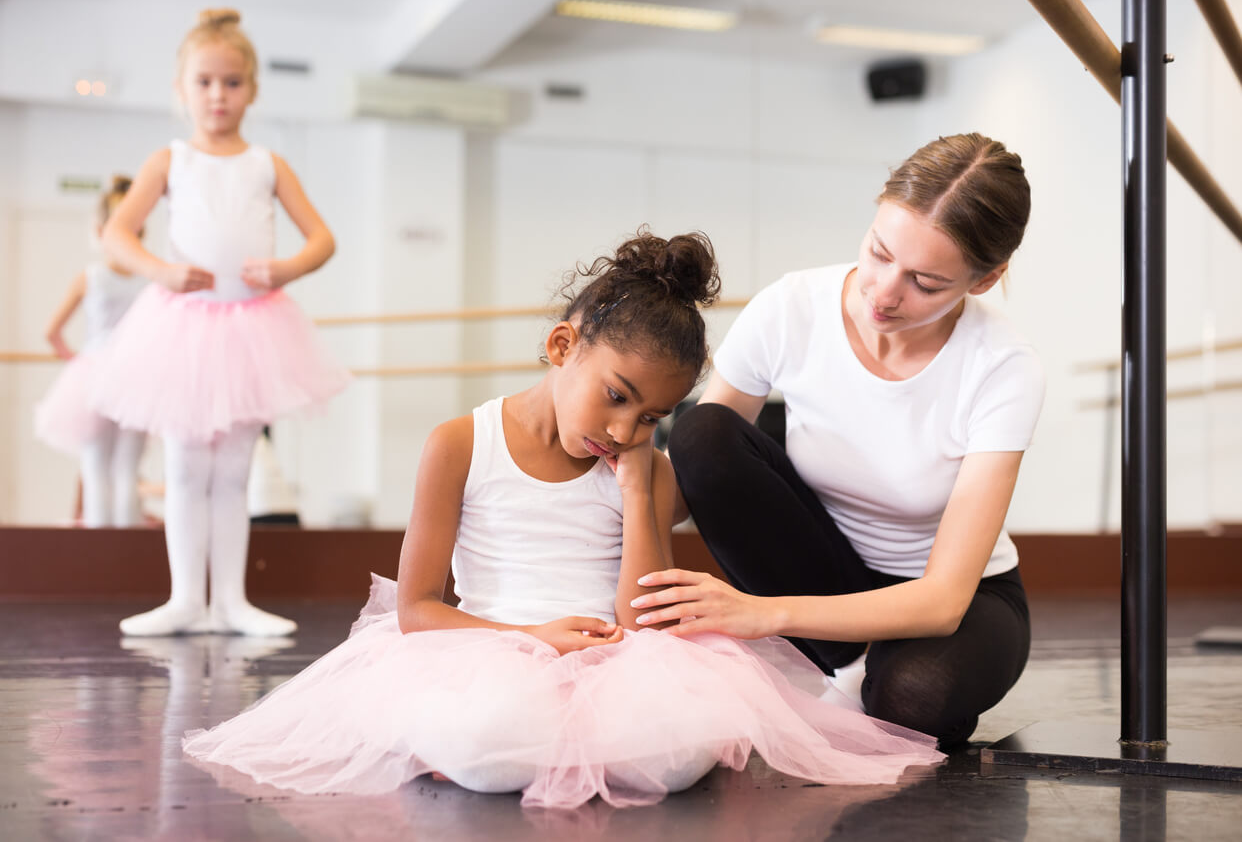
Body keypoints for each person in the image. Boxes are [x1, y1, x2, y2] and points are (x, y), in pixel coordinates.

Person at [181, 228, 942, 810]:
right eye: (615, 396)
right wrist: (531, 638)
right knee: (486, 743)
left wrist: (642, 485)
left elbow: (638, 616)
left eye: (651, 415)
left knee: (677, 754)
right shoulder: (458, 444)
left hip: (609, 655)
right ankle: (473, 743)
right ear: (560, 346)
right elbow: (416, 609)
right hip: (489, 647)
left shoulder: (638, 460)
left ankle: (535, 745)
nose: (622, 428)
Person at [642, 133, 1045, 749]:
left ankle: (860, 677)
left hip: (955, 601)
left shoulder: (1003, 367)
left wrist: (763, 615)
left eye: (926, 283)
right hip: (823, 569)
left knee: (913, 698)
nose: (883, 293)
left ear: (984, 280)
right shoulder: (792, 306)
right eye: (879, 253)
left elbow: (941, 601)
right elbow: (699, 474)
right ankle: (845, 665)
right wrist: (595, 486)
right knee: (700, 429)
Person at [96, 8, 347, 637]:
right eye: (204, 82)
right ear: (182, 89)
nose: (218, 95)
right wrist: (161, 270)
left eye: (231, 83)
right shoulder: (170, 159)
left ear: (252, 90)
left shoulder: (267, 163)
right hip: (182, 327)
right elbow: (118, 235)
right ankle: (186, 599)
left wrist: (286, 268)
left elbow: (322, 239)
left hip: (252, 328)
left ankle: (231, 601)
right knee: (184, 465)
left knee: (235, 470)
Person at [35, 176, 148, 527]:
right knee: (128, 468)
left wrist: (73, 358)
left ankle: (100, 552)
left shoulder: (91, 276)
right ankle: (129, 553)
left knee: (96, 467)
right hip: (136, 376)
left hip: (94, 373)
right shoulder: (150, 278)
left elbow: (51, 332)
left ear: (100, 230)